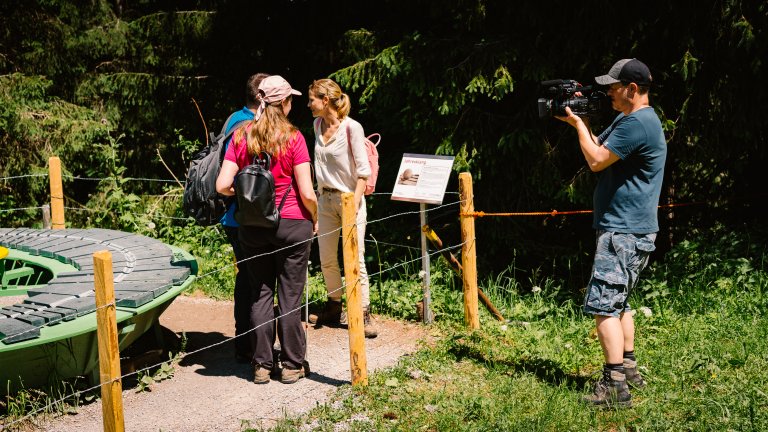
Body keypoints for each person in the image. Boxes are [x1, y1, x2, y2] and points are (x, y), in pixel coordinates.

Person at [556, 58, 666, 407]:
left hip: (623, 232)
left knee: (604, 306)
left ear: (633, 89)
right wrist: (580, 118)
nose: (608, 92)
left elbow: (596, 160)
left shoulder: (636, 124)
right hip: (633, 230)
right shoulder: (633, 119)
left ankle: (614, 387)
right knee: (621, 304)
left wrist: (577, 127)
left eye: (614, 87)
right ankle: (629, 370)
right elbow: (597, 145)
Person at [215, 75, 318, 384]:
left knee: (260, 294)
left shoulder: (242, 136)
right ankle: (290, 365)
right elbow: (308, 193)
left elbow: (222, 185)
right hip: (292, 224)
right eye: (290, 100)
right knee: (289, 296)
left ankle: (261, 365)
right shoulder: (294, 138)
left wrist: (248, 192)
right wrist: (314, 218)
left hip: (253, 226)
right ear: (284, 103)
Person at [306, 78, 378, 338]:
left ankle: (364, 311)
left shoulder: (352, 128)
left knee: (355, 258)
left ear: (325, 100)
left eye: (312, 99)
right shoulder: (316, 125)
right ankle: (334, 306)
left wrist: (354, 204)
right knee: (326, 258)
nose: (308, 104)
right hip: (325, 200)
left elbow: (363, 173)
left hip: (350, 200)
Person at [220, 72, 269, 363]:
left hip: (233, 215)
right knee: (254, 282)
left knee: (247, 278)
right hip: (246, 217)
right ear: (263, 97)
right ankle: (249, 345)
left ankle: (245, 342)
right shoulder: (250, 127)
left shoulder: (232, 119)